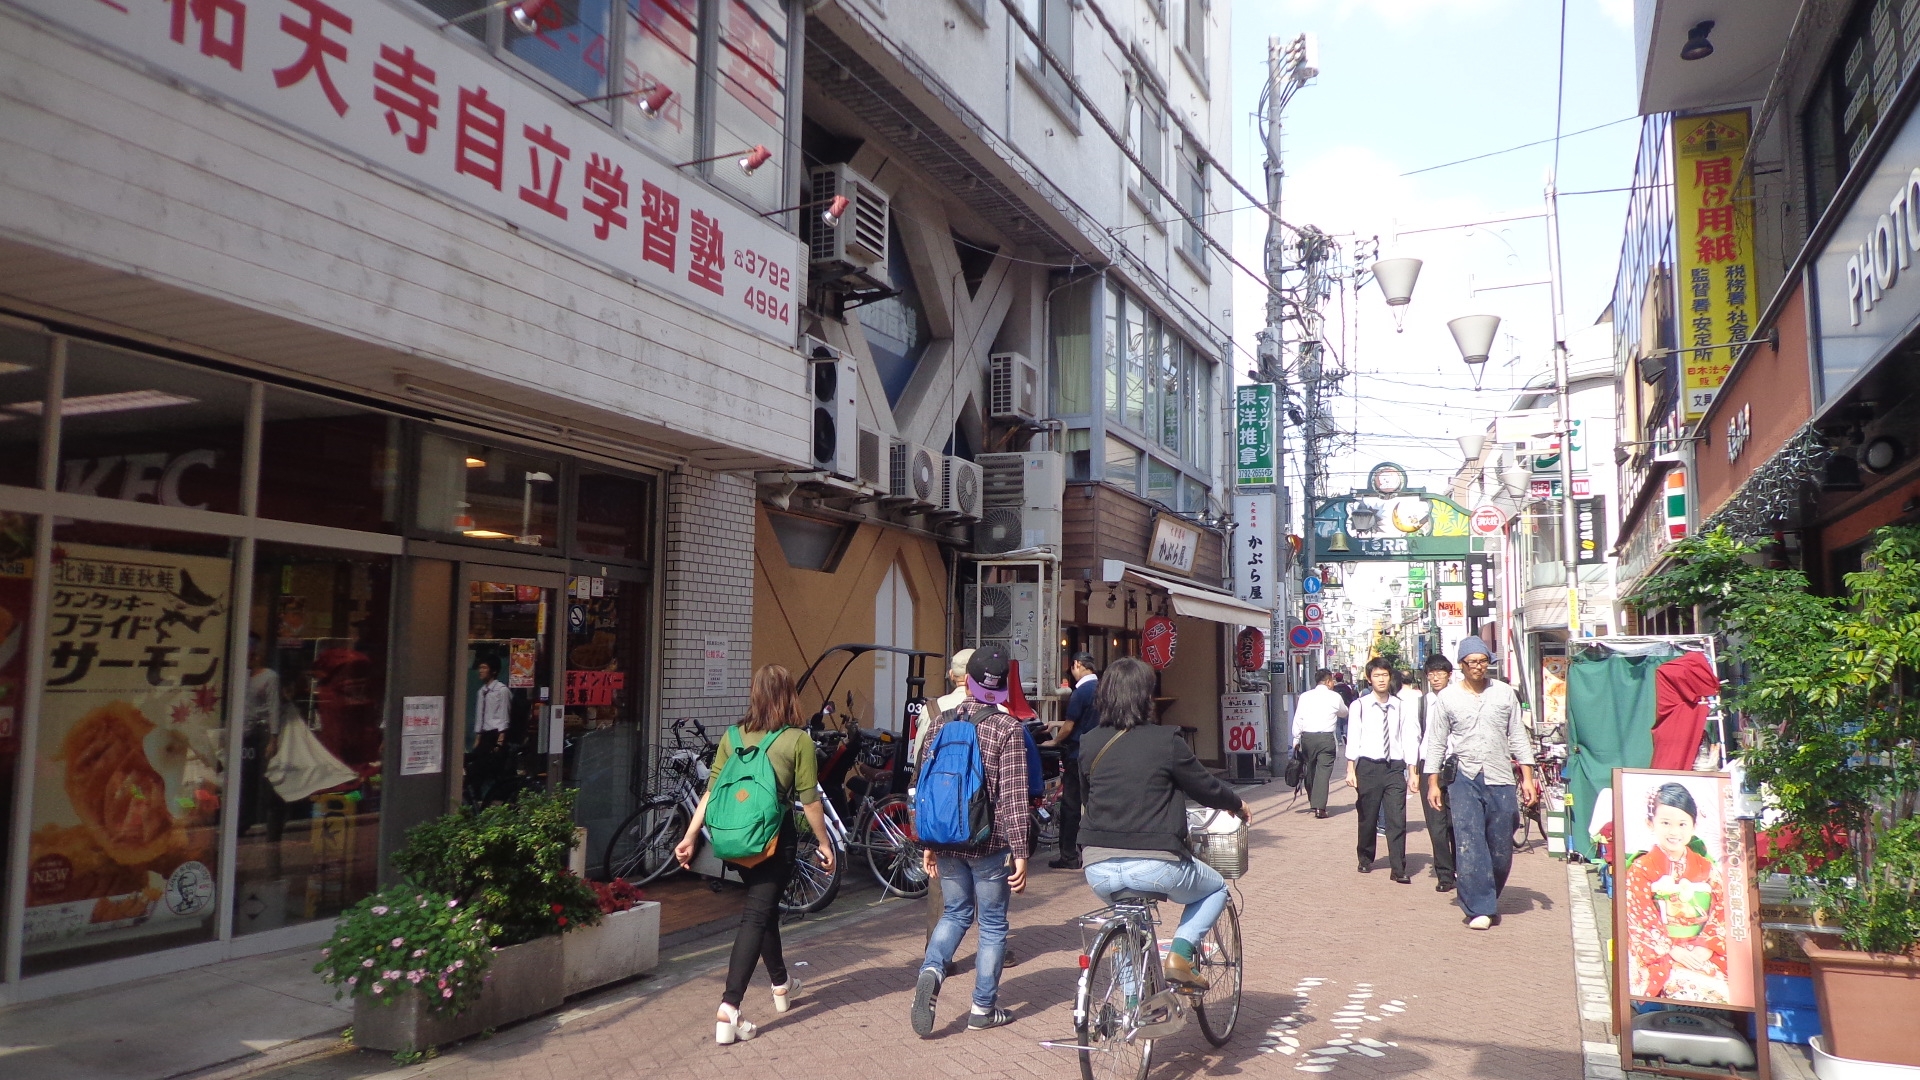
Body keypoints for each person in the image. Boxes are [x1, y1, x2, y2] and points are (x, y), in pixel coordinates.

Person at [674, 664, 835, 1045]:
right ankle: (729, 1008)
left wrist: (691, 835)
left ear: (755, 694)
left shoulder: (732, 736)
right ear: (789, 695)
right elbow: (809, 800)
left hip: (733, 840)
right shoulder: (797, 740)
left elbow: (712, 791)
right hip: (773, 840)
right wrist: (825, 844)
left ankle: (782, 984)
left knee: (763, 912)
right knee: (756, 915)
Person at [1079, 657, 1249, 990]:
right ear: (1146, 696)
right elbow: (1205, 786)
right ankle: (1180, 956)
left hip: (1098, 867)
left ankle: (1133, 1007)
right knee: (1215, 888)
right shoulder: (1166, 740)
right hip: (1157, 863)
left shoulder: (1089, 742)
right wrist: (1236, 804)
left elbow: (1087, 795)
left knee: (1129, 926)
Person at [911, 644, 1031, 1036]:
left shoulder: (941, 722)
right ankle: (982, 1008)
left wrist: (927, 840)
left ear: (970, 681)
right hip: (989, 842)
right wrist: (1022, 851)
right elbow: (1014, 796)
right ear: (1003, 686)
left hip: (945, 838)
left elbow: (923, 786)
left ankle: (932, 969)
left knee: (955, 914)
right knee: (993, 925)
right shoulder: (1008, 728)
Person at [1422, 637, 1537, 930]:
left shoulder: (1504, 693)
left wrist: (1527, 778)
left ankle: (1487, 895)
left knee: (1501, 843)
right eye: (1471, 662)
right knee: (1469, 839)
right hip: (1464, 777)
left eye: (1482, 661)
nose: (1477, 667)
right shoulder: (1447, 698)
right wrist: (1433, 783)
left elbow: (1518, 736)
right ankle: (1478, 906)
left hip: (1500, 775)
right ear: (1461, 666)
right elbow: (1435, 742)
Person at [1623, 782, 1730, 1002]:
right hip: (1658, 949)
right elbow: (1640, 918)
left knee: (1724, 989)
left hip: (1700, 947)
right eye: (1665, 823)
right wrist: (1671, 949)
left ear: (1694, 825)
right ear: (1650, 823)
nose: (1674, 832)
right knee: (1681, 987)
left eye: (1682, 824)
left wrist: (1707, 947)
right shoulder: (1641, 868)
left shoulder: (1706, 868)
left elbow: (1723, 909)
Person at [1347, 657, 1419, 883]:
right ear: (1369, 679)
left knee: (1397, 818)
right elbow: (1353, 738)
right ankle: (1366, 857)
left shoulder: (1401, 706)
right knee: (1368, 816)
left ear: (1390, 678)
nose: (1381, 679)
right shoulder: (1359, 706)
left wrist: (1413, 771)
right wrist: (1351, 768)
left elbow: (1409, 737)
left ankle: (1399, 868)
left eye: (1384, 675)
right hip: (1368, 767)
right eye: (1376, 675)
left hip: (1394, 768)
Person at [1044, 652, 1098, 870]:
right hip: (1100, 753)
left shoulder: (1081, 692)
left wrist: (1055, 741)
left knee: (1071, 805)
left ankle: (1069, 855)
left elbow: (1070, 726)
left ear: (1078, 664)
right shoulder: (1104, 688)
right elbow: (1083, 719)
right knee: (1095, 804)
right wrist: (1057, 722)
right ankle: (1095, 852)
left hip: (1078, 754)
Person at [1417, 654, 1458, 893]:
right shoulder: (1423, 704)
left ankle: (1461, 866)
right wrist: (1413, 771)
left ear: (1449, 674)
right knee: (1436, 823)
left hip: (1457, 766)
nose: (1435, 677)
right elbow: (1415, 737)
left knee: (1457, 822)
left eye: (1440, 673)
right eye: (1431, 673)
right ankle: (1444, 873)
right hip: (1430, 768)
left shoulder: (1459, 698)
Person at [1290, 669, 1348, 818]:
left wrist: (1296, 739)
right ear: (1329, 681)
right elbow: (1344, 712)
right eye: (1332, 681)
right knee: (1323, 771)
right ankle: (1319, 807)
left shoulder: (1305, 696)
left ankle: (1313, 801)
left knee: (1310, 770)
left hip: (1307, 738)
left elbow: (1298, 718)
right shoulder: (1334, 697)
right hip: (1326, 739)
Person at [466, 658, 511, 804]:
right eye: (480, 667)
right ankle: (477, 799)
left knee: (483, 769)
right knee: (474, 767)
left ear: (494, 671)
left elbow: (504, 714)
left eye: (484, 667)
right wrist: (477, 738)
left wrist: (500, 740)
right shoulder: (482, 691)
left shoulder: (501, 691)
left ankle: (489, 799)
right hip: (484, 735)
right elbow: (480, 715)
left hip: (495, 735)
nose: (480, 671)